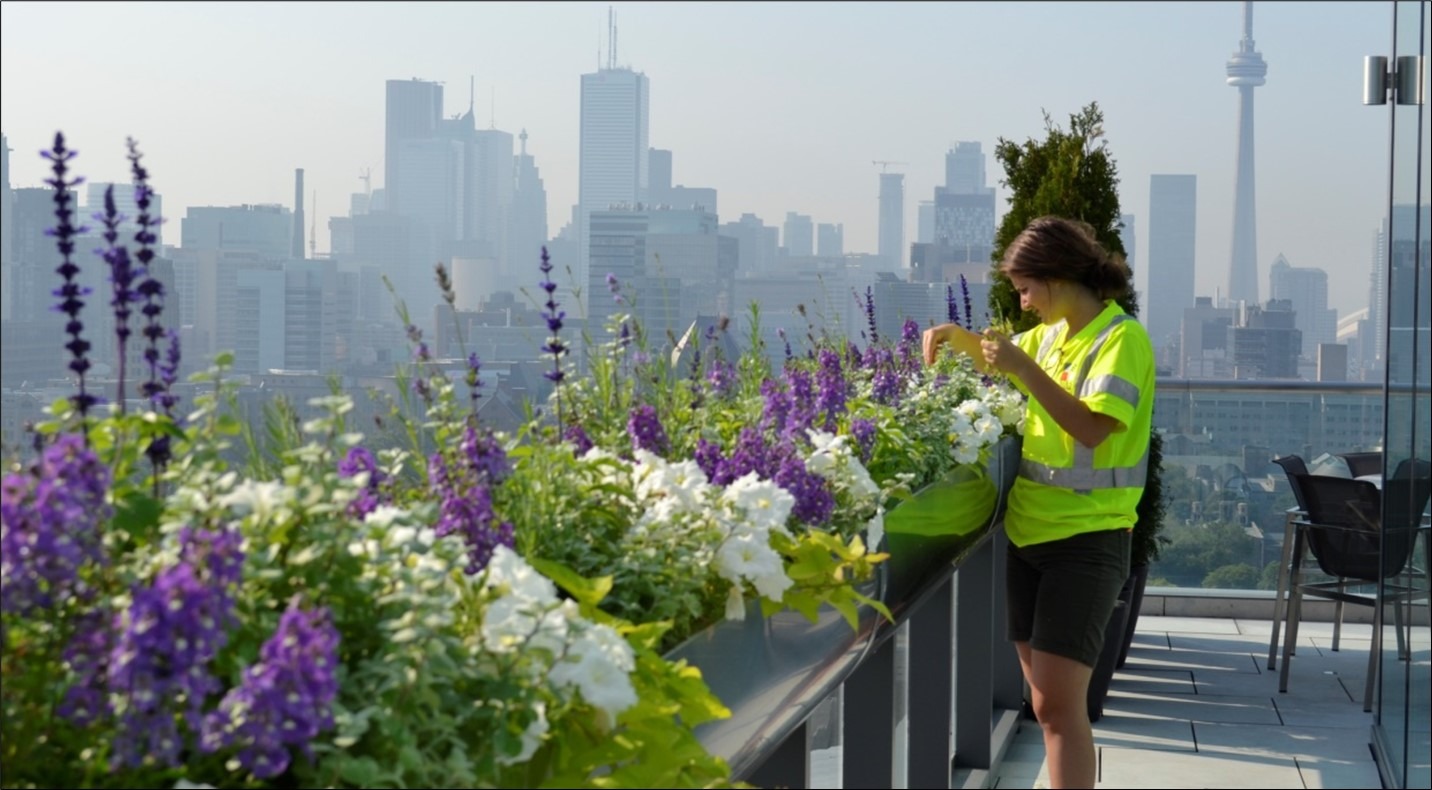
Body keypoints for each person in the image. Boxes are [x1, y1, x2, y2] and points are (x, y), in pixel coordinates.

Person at [922, 215, 1154, 789]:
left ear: (1056, 275)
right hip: (1029, 536)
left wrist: (1023, 369)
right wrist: (956, 336)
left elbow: (1093, 429)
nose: (1022, 303)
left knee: (1056, 708)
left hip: (1088, 542)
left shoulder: (1121, 340)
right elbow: (994, 356)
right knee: (1047, 704)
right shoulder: (1052, 336)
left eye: (1026, 288)